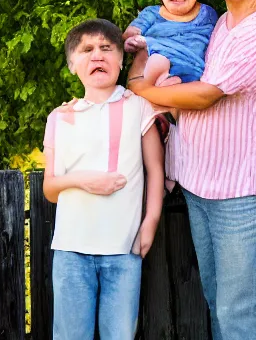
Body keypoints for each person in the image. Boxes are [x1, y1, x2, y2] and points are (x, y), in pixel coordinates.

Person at [127, 0, 256, 340]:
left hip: (244, 192)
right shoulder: (220, 25)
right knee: (219, 304)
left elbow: (205, 95)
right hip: (201, 185)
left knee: (240, 312)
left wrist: (142, 89)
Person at [43, 19, 165, 340]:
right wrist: (83, 180)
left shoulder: (138, 106)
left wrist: (150, 220)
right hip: (71, 252)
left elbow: (155, 169)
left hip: (123, 250)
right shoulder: (60, 117)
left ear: (120, 60)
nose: (97, 55)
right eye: (86, 50)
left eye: (106, 48)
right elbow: (50, 189)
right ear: (72, 66)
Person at [123, 0, 220, 85]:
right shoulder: (151, 13)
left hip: (191, 67)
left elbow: (214, 44)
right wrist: (132, 40)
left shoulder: (206, 14)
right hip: (157, 62)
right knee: (157, 60)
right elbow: (131, 33)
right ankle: (156, 83)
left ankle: (174, 81)